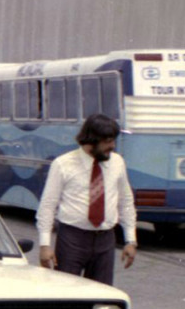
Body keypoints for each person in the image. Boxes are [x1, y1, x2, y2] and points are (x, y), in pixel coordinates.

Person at [36, 114, 137, 285]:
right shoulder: (63, 164)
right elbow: (48, 205)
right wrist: (45, 245)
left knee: (102, 293)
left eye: (113, 141)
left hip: (105, 240)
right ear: (91, 140)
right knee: (66, 291)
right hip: (72, 239)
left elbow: (126, 201)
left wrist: (130, 240)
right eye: (107, 141)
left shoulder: (117, 162)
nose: (112, 146)